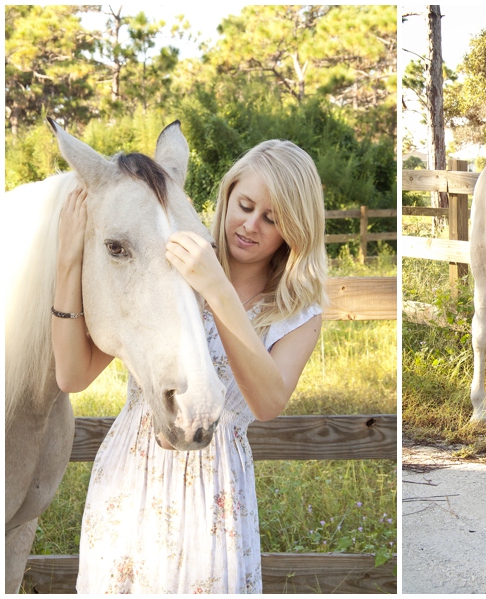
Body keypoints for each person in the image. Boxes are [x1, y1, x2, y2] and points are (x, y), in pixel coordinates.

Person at [52, 139, 328, 593]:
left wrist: (216, 288)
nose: (249, 225)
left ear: (295, 228)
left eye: (271, 218)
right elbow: (73, 375)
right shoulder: (169, 262)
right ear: (227, 196)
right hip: (130, 477)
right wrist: (68, 262)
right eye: (244, 205)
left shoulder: (299, 312)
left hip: (215, 495)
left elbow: (268, 402)